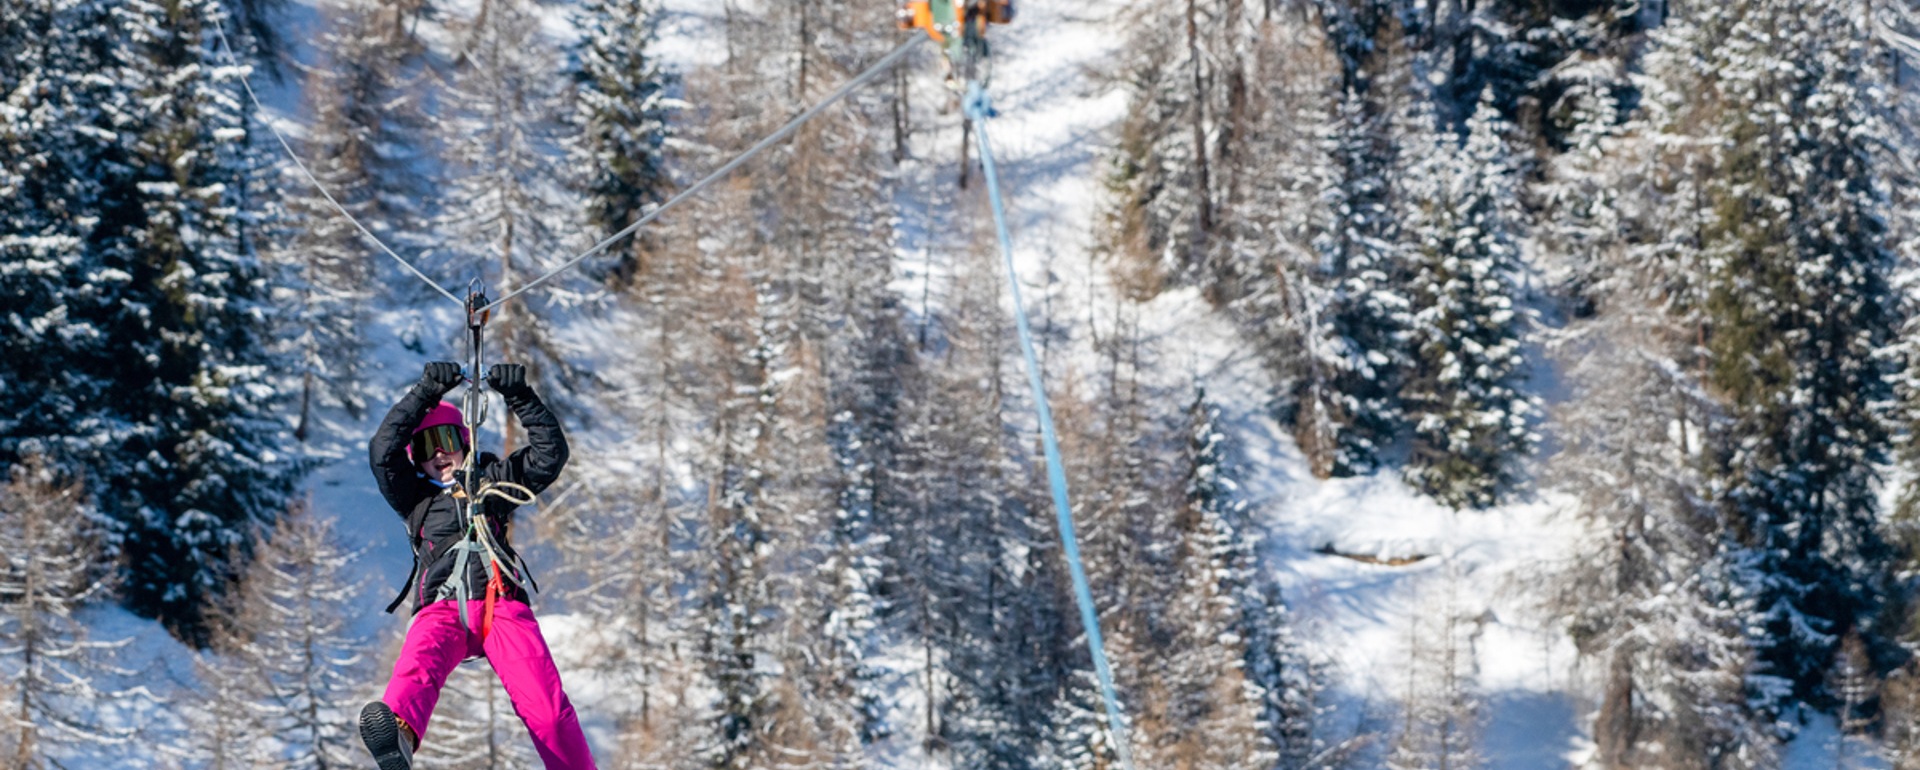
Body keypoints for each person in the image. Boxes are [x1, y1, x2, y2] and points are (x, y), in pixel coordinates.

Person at [358, 361, 596, 770]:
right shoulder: (416, 498)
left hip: (501, 603)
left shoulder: (494, 482)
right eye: (426, 445)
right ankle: (397, 732)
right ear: (416, 458)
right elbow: (383, 453)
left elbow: (548, 456)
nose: (438, 453)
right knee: (418, 665)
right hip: (443, 607)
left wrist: (520, 396)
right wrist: (426, 393)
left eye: (446, 439)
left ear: (464, 442)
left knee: (547, 710)